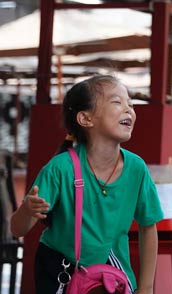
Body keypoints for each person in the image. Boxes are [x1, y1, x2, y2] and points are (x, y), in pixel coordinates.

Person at [10, 75, 163, 293]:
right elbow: (17, 228)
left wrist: (146, 287)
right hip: (60, 273)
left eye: (130, 104)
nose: (129, 109)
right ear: (86, 119)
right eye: (117, 102)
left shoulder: (136, 168)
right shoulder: (60, 168)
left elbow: (148, 227)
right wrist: (27, 210)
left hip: (113, 277)